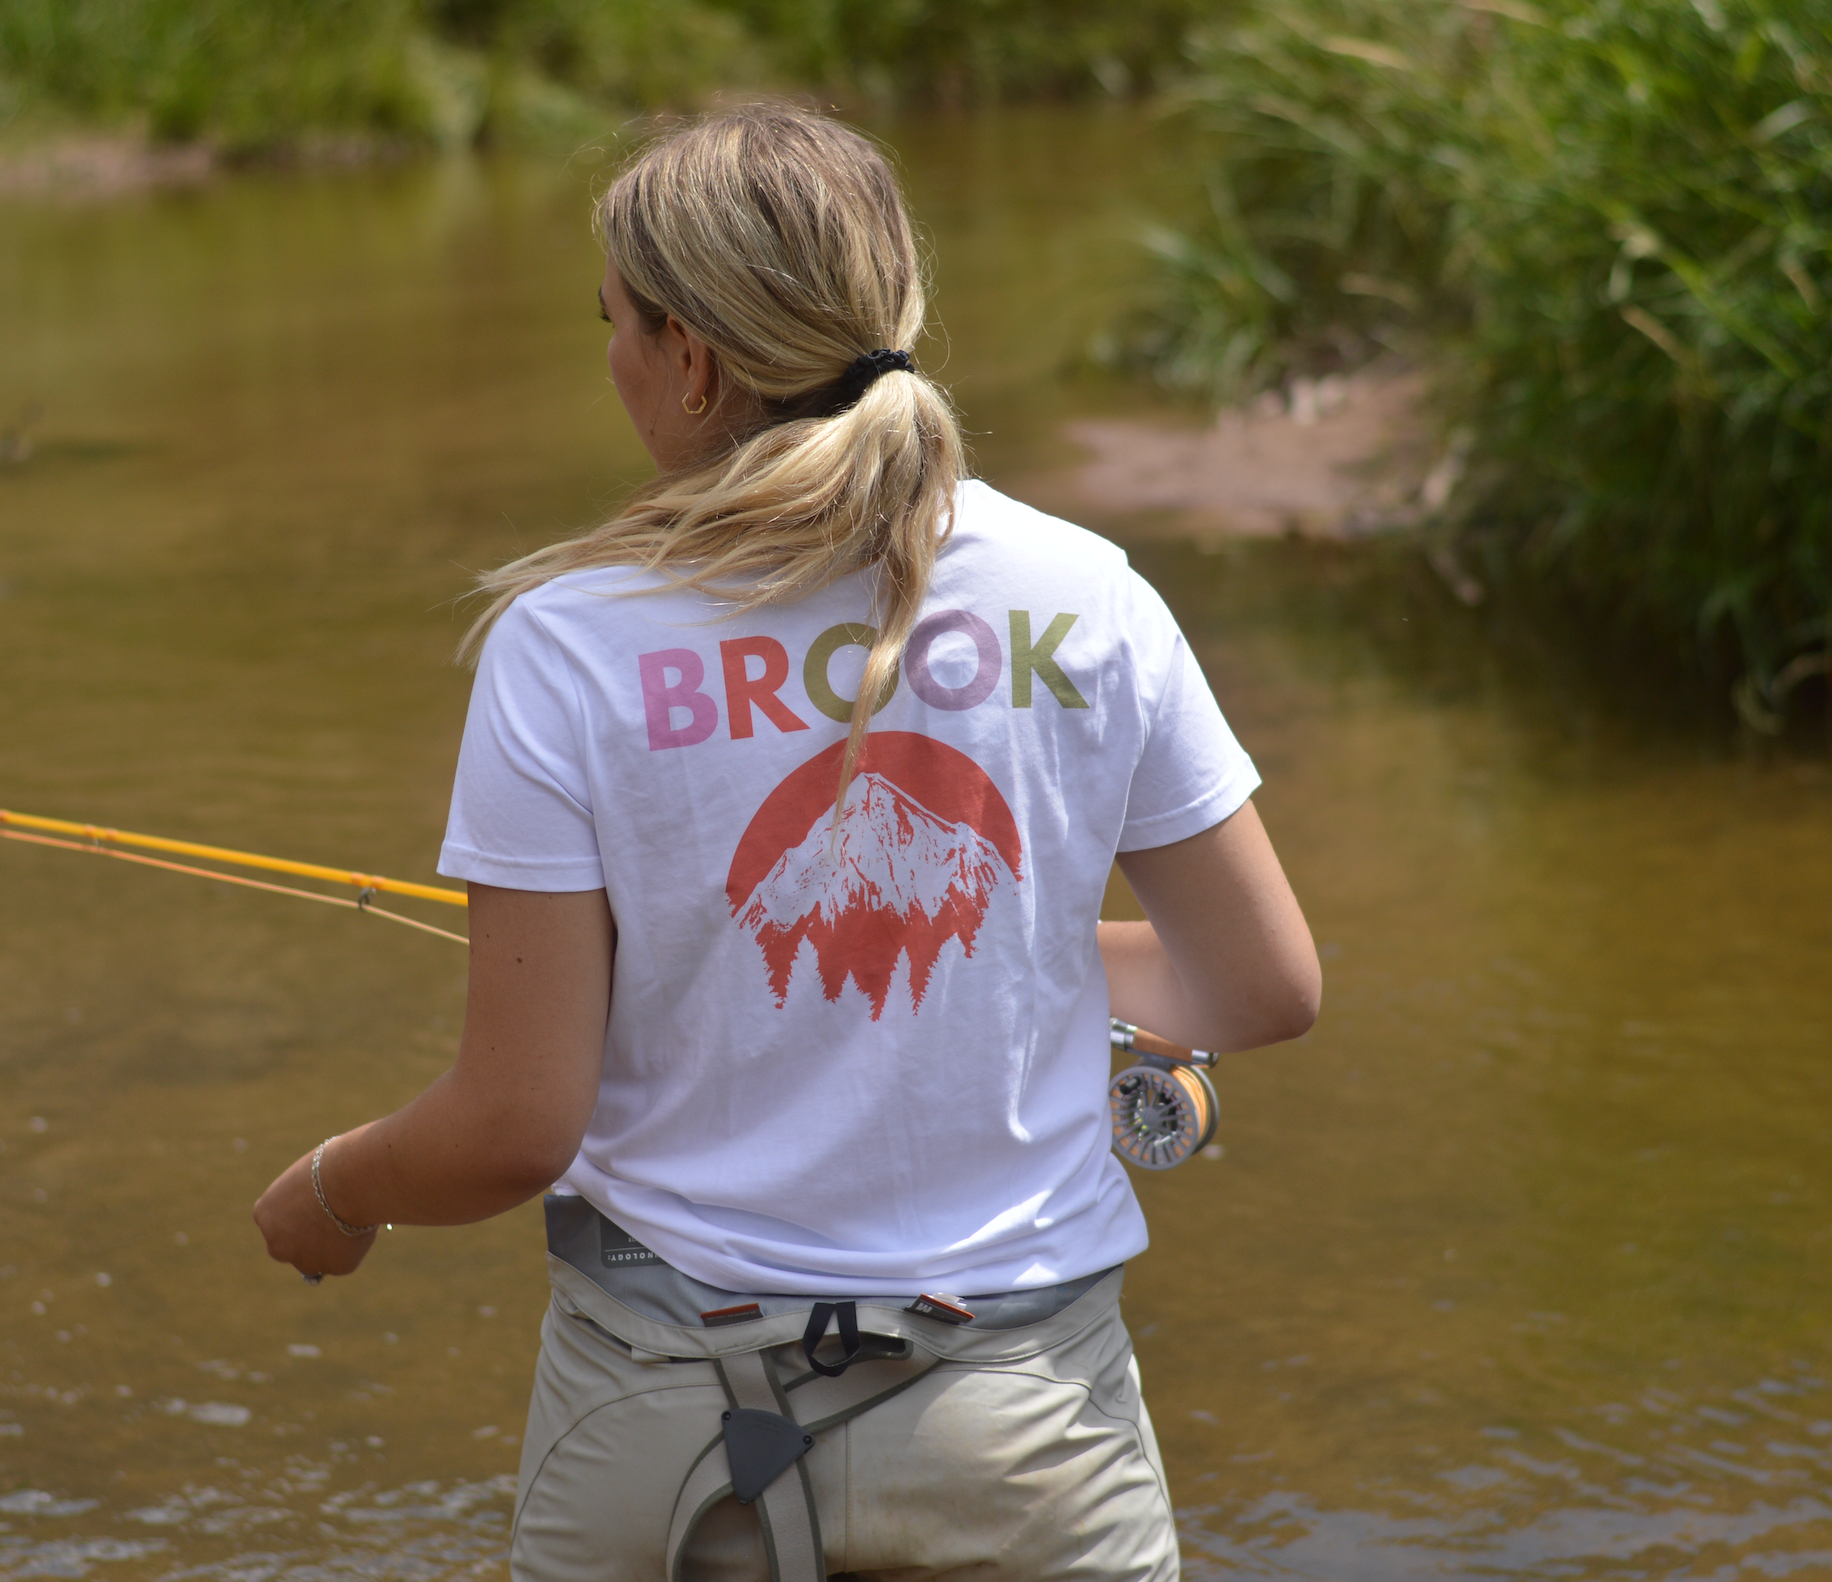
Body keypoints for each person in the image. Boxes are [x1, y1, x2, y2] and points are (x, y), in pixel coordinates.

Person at [254, 103, 1320, 1582]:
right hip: (1021, 1437)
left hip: (664, 1429)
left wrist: (331, 1187)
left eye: (618, 324)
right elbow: (1264, 986)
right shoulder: (1093, 596)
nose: (612, 358)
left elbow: (514, 1126)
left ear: (691, 358)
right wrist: (1008, 964)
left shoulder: (566, 645)